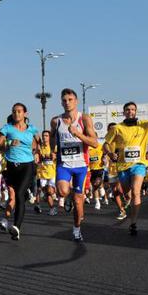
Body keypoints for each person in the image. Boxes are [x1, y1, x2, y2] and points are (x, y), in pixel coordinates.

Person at [105, 92, 148, 235]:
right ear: (123, 112)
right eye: (128, 110)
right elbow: (105, 144)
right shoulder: (117, 128)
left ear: (136, 112)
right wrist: (110, 153)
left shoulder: (144, 125)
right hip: (122, 166)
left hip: (139, 164)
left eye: (133, 110)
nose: (130, 112)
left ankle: (133, 222)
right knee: (128, 194)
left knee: (136, 192)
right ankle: (128, 202)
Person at [50, 88, 99, 242]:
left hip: (81, 165)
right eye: (64, 100)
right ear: (61, 102)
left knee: (79, 201)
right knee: (63, 192)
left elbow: (95, 143)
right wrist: (52, 144)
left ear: (76, 101)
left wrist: (78, 133)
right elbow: (52, 142)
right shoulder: (56, 121)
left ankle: (77, 228)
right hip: (63, 164)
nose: (67, 103)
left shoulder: (84, 119)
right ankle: (68, 197)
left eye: (70, 100)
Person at [0, 103, 40, 240]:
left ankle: (16, 227)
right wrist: (8, 143)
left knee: (19, 194)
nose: (16, 114)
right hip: (11, 167)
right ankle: (27, 193)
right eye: (14, 111)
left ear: (25, 114)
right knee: (14, 195)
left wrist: (36, 152)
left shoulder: (31, 129)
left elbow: (38, 143)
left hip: (27, 166)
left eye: (19, 111)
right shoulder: (7, 128)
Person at [35, 131, 57, 216]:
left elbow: (59, 156)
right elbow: (36, 155)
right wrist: (37, 156)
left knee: (49, 191)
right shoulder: (40, 147)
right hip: (42, 173)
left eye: (46, 136)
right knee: (42, 190)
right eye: (43, 136)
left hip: (52, 173)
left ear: (49, 137)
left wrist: (55, 156)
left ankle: (51, 197)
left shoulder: (53, 146)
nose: (44, 137)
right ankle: (51, 208)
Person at [88, 141, 107, 210]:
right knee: (94, 186)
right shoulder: (88, 148)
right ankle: (97, 202)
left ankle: (101, 188)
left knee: (97, 183)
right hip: (91, 169)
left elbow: (105, 154)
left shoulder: (100, 146)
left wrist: (104, 160)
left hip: (100, 168)